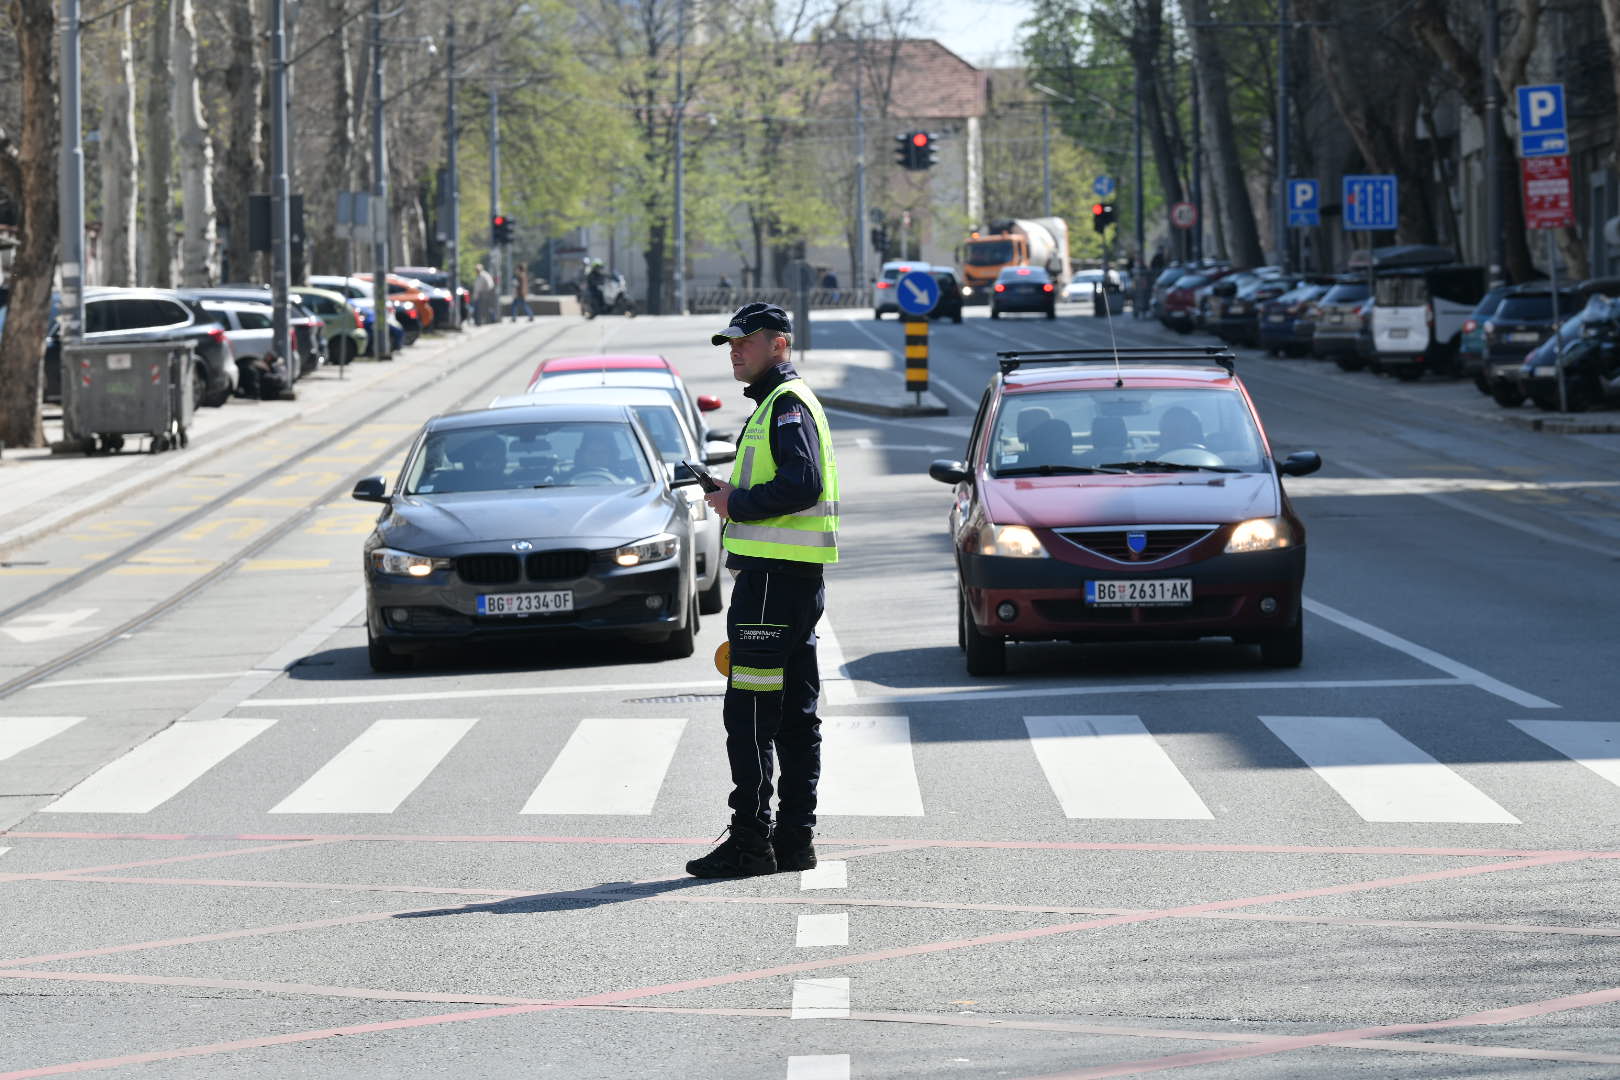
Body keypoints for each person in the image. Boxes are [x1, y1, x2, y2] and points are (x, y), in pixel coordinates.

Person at [686, 302, 839, 879]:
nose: (734, 351)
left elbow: (802, 484)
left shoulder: (785, 406)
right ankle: (795, 840)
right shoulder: (783, 404)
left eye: (744, 342)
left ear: (779, 344)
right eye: (730, 343)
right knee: (797, 715)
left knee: (750, 712)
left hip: (772, 584)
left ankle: (751, 842)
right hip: (792, 583)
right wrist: (734, 494)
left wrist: (735, 503)